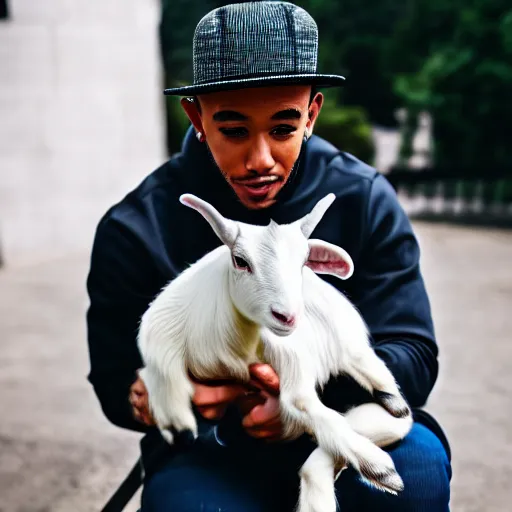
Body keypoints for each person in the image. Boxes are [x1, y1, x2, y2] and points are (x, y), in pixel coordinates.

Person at [86, 2, 452, 511]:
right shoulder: (135, 228)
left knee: (419, 476)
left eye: (283, 128)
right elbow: (113, 379)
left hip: (346, 418)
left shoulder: (365, 199)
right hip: (209, 450)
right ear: (195, 115)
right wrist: (156, 394)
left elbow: (413, 353)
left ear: (312, 113)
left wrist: (303, 398)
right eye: (234, 130)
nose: (259, 160)